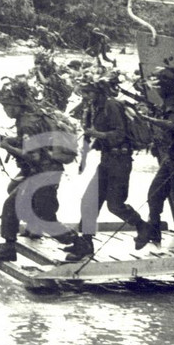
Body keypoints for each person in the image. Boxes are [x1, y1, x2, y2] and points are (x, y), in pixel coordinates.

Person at [0, 78, 78, 263]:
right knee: (18, 205)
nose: (5, 110)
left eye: (7, 106)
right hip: (47, 171)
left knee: (42, 217)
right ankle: (10, 247)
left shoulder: (26, 122)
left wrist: (7, 147)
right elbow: (34, 142)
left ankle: (79, 243)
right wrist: (11, 140)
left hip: (43, 173)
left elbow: (32, 156)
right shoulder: (33, 116)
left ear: (17, 105)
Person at [64, 72, 148, 261]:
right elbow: (90, 133)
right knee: (89, 200)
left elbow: (119, 134)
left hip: (120, 160)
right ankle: (86, 243)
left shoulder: (112, 105)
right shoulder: (94, 107)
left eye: (88, 92)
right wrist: (84, 156)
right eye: (83, 92)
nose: (85, 95)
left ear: (98, 92)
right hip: (106, 160)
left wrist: (98, 134)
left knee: (115, 205)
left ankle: (143, 227)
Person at [138, 67, 174, 246]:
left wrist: (148, 119)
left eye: (159, 86)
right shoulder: (172, 99)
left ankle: (154, 230)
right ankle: (154, 230)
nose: (157, 90)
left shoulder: (173, 100)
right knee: (157, 193)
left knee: (168, 196)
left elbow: (170, 124)